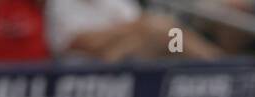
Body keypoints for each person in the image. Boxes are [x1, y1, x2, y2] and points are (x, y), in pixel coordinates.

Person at [44, 0, 219, 61]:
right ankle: (212, 62)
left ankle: (210, 62)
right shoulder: (61, 3)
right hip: (88, 66)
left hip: (129, 51)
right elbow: (84, 43)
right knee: (160, 29)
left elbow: (141, 23)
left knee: (171, 31)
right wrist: (132, 29)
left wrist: (132, 30)